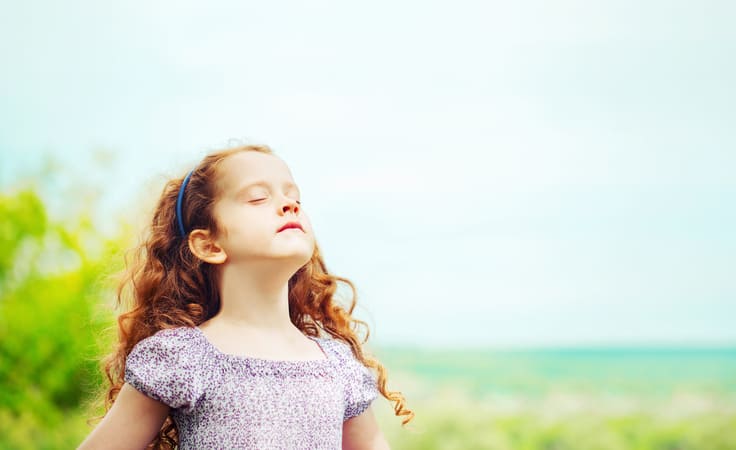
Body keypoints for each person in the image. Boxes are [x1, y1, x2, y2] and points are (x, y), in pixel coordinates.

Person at [78, 144, 413, 449]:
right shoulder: (182, 358)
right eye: (257, 198)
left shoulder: (339, 366)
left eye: (294, 197)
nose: (289, 205)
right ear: (209, 245)